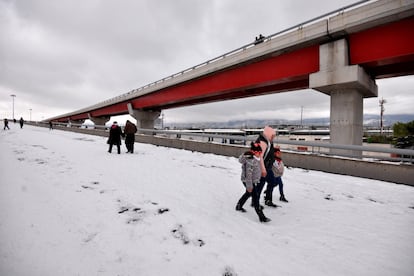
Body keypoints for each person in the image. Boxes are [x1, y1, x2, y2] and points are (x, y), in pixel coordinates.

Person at [236, 142, 271, 223]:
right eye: (256, 152)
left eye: (260, 152)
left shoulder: (257, 159)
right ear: (253, 152)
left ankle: (239, 205)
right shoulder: (250, 161)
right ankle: (261, 217)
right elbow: (248, 175)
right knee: (255, 198)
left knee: (248, 194)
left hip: (252, 181)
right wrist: (249, 186)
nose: (258, 154)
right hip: (248, 181)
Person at [256, 126, 280, 208]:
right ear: (268, 134)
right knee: (260, 186)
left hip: (267, 166)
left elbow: (269, 152)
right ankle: (255, 202)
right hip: (261, 168)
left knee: (272, 182)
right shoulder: (263, 142)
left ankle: (268, 200)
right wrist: (263, 169)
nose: (274, 137)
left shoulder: (268, 141)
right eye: (273, 135)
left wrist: (275, 150)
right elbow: (260, 157)